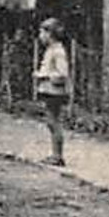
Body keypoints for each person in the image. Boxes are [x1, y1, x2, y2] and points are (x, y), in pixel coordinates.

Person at [34, 16, 71, 167]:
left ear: (50, 34)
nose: (40, 36)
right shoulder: (51, 50)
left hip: (54, 91)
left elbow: (63, 73)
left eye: (42, 33)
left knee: (53, 122)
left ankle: (58, 156)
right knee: (51, 122)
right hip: (48, 90)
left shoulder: (58, 51)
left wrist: (43, 75)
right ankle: (55, 154)